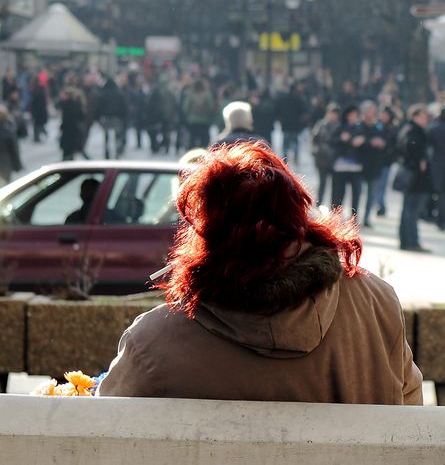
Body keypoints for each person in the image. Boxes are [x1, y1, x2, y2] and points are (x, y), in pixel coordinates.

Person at [97, 143, 422, 404]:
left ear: (205, 233)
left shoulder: (152, 343)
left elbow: (100, 437)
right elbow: (412, 410)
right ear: (297, 213)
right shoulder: (376, 304)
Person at [396, 105, 433, 253]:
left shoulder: (412, 130)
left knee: (408, 210)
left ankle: (407, 241)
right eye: (423, 117)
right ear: (415, 116)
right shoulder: (412, 131)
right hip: (414, 177)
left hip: (414, 176)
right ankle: (411, 241)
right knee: (411, 210)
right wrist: (420, 161)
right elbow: (409, 149)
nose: (426, 120)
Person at [355, 101, 389, 227]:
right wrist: (370, 142)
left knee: (371, 194)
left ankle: (367, 218)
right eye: (368, 111)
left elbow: (385, 142)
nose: (371, 114)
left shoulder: (378, 127)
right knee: (357, 193)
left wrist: (381, 143)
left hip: (375, 165)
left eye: (373, 112)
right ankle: (355, 217)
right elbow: (357, 142)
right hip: (360, 165)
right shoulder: (358, 127)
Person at [310, 104, 341, 205]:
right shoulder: (321, 125)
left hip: (335, 159)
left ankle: (333, 205)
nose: (332, 116)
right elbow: (314, 139)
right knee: (322, 182)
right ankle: (319, 203)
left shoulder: (340, 127)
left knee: (335, 184)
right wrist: (315, 151)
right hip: (321, 158)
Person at [372, 106, 398, 217]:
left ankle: (381, 205)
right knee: (375, 184)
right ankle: (378, 204)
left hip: (386, 161)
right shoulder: (376, 126)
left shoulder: (393, 128)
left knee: (382, 184)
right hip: (375, 160)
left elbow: (394, 145)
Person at [182, 79, 216, 149]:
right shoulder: (207, 94)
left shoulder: (191, 95)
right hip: (205, 121)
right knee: (204, 139)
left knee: (192, 139)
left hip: (193, 121)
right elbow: (211, 107)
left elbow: (185, 108)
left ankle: (192, 153)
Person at [0, 105, 23, 186]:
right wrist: (17, 165)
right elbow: (14, 149)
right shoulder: (9, 129)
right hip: (5, 163)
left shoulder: (9, 129)